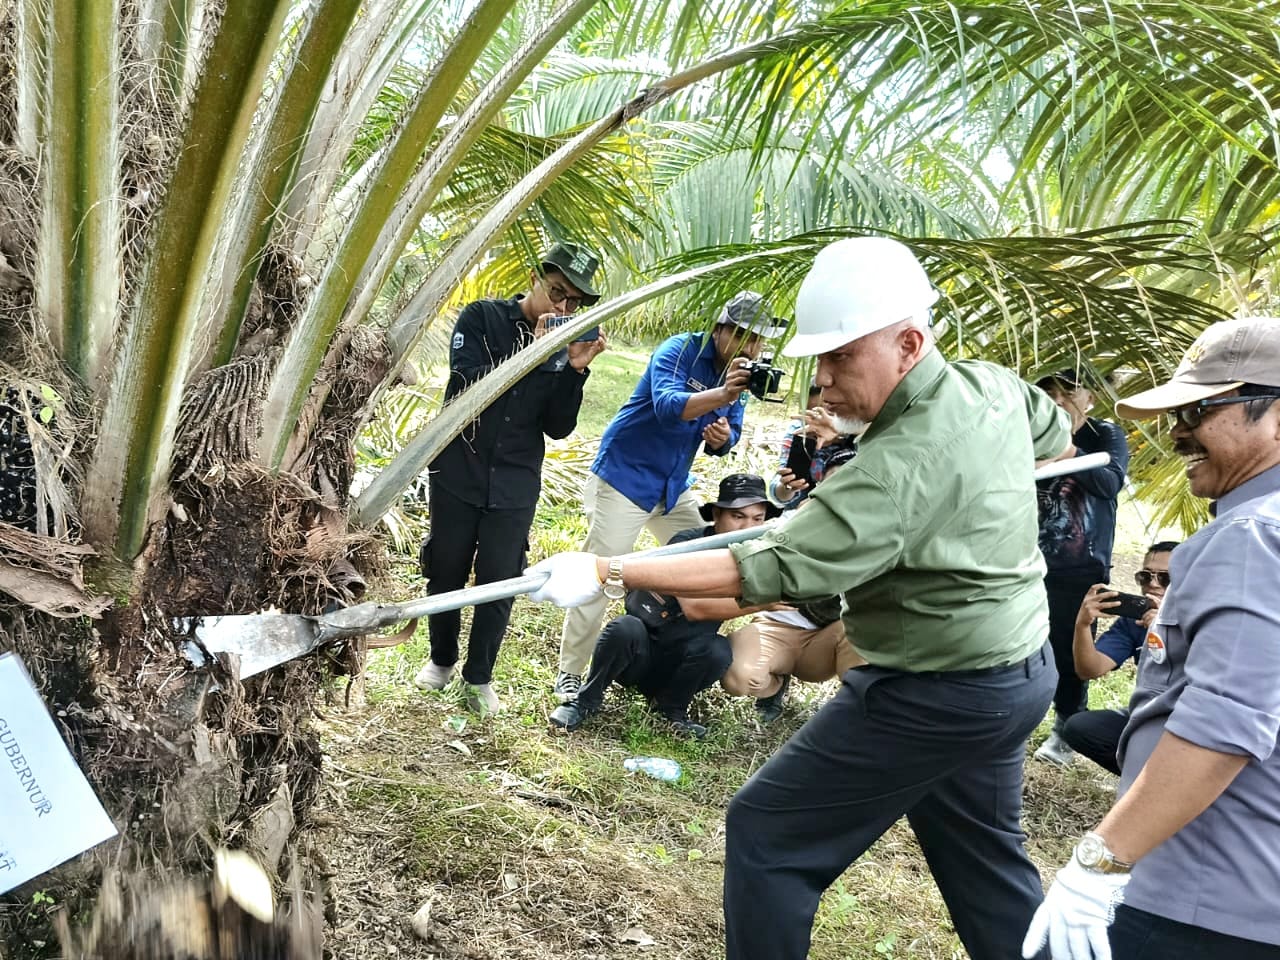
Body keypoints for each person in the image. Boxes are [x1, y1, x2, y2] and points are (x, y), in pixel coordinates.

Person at [527, 235, 1074, 960]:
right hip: (1016, 674)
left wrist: (608, 571)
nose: (823, 380)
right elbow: (1057, 436)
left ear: (908, 345)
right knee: (986, 867)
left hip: (934, 689)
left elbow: (768, 566)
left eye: (841, 357)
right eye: (819, 359)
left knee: (768, 835)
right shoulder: (992, 388)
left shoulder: (896, 468)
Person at [1022, 316, 1280, 960]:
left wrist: (1100, 862)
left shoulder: (1252, 538)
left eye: (1198, 410)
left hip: (1202, 891)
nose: (1177, 431)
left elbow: (1223, 722)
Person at [551, 291, 785, 702]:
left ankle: (677, 659)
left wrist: (723, 438)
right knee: (602, 574)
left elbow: (730, 433)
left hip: (672, 487)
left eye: (758, 340)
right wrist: (722, 395)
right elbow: (666, 404)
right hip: (626, 478)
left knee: (711, 558)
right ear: (720, 329)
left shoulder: (743, 376)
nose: (751, 347)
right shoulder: (679, 350)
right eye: (744, 336)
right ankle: (571, 672)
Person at [413, 242, 607, 714]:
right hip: (460, 468)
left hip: (515, 479)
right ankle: (441, 659)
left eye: (574, 302)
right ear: (536, 278)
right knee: (446, 569)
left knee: (501, 578)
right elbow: (467, 383)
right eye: (557, 292)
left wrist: (574, 371)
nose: (563, 307)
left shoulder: (564, 344)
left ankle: (479, 676)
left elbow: (558, 426)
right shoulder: (482, 317)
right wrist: (533, 354)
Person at [548, 474, 779, 738]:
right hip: (640, 652)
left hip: (684, 659)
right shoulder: (688, 543)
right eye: (738, 516)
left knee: (717, 650)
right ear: (717, 514)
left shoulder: (754, 560)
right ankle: (585, 701)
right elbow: (695, 607)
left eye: (757, 519)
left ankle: (672, 711)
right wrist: (765, 602)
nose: (747, 526)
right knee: (624, 628)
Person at [724, 442, 863, 724]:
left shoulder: (875, 531)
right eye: (834, 483)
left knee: (867, 627)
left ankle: (855, 713)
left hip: (829, 635)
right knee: (737, 678)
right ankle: (774, 686)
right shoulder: (795, 518)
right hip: (775, 624)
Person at [1033, 368, 1131, 766]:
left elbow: (1109, 482)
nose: (1057, 400)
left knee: (1068, 650)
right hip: (1025, 563)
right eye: (1048, 392)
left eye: (1068, 392)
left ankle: (1066, 726)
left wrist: (1068, 452)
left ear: (1089, 397)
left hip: (1079, 566)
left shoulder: (1103, 435)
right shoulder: (1027, 434)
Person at [1060, 542, 1177, 775]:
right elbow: (1090, 669)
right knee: (1079, 727)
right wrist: (1082, 625)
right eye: (1145, 576)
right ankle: (1145, 778)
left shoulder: (1203, 622)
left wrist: (1166, 630)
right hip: (1150, 715)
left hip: (1191, 721)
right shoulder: (1135, 621)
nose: (1153, 584)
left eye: (1166, 578)